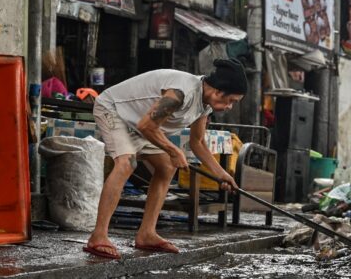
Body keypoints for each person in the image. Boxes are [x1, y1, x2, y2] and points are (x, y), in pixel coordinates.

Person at [83, 59, 246, 259]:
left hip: (139, 122)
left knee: (167, 167)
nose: (230, 107)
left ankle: (146, 234)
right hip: (114, 110)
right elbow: (146, 126)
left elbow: (198, 142)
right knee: (126, 163)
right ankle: (98, 236)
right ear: (219, 91)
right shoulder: (181, 92)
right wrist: (174, 150)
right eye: (232, 101)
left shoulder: (205, 105)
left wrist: (221, 174)